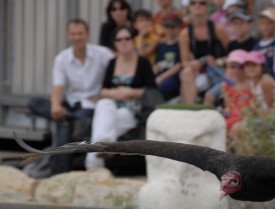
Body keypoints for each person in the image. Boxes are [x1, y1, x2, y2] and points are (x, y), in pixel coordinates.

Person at [27, 19, 114, 175]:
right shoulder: (62, 58)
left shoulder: (103, 54)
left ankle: (59, 173)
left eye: (80, 33)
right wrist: (55, 106)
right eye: (73, 34)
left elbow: (118, 74)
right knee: (34, 102)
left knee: (66, 123)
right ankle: (66, 117)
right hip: (72, 104)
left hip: (91, 106)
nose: (77, 37)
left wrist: (103, 94)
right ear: (68, 36)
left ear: (87, 35)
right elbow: (58, 86)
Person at [85, 26, 157, 169]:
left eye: (127, 38)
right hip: (111, 107)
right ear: (115, 43)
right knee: (104, 104)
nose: (123, 42)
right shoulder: (112, 62)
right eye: (119, 39)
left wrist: (130, 92)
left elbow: (152, 90)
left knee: (101, 127)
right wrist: (116, 93)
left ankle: (93, 165)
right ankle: (104, 145)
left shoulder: (143, 62)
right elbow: (104, 90)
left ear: (133, 40)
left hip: (132, 110)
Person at [179, 0, 229, 103]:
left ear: (208, 7)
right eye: (193, 3)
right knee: (187, 73)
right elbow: (184, 62)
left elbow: (232, 56)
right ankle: (189, 108)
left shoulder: (218, 29)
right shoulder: (185, 34)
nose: (197, 6)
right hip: (199, 72)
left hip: (218, 71)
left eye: (202, 3)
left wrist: (217, 61)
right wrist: (193, 64)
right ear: (189, 8)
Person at [154, 13, 183, 101]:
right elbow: (157, 63)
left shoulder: (180, 44)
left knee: (164, 86)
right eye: (167, 26)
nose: (169, 29)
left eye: (172, 27)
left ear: (178, 28)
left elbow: (179, 65)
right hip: (160, 74)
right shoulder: (160, 45)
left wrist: (162, 77)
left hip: (173, 77)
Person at [253, 8, 275, 80]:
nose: (265, 26)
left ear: (274, 25)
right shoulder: (256, 47)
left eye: (269, 23)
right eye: (263, 23)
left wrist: (274, 12)